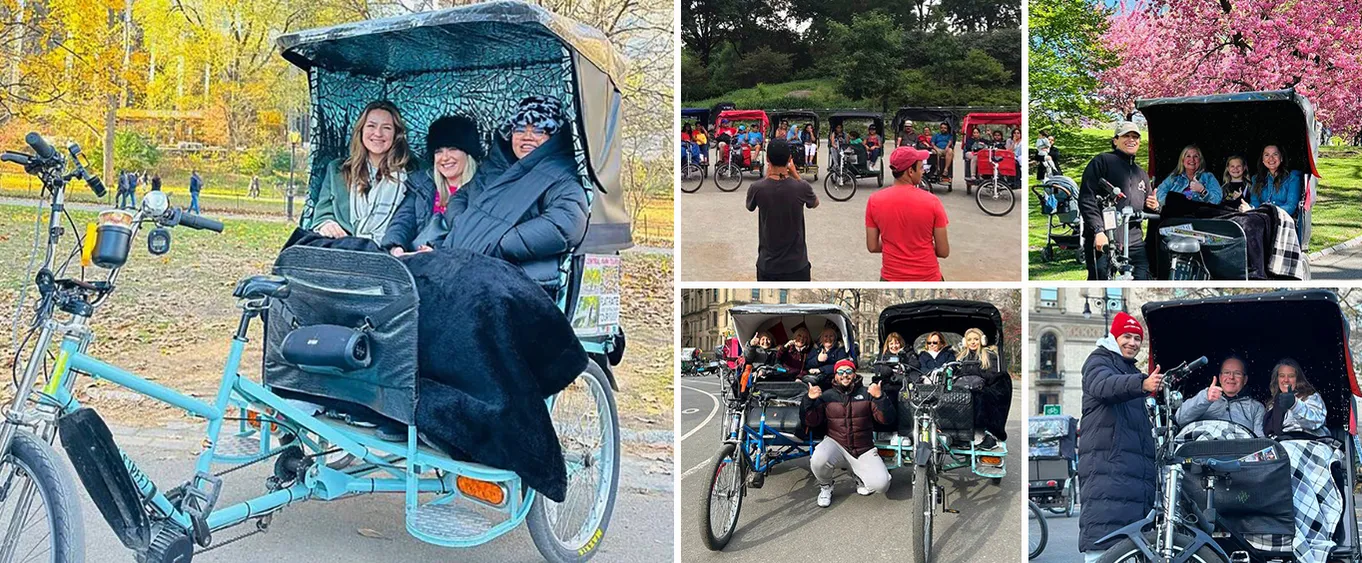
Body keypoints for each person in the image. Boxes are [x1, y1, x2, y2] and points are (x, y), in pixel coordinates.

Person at [439, 95, 587, 296]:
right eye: (519, 129)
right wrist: (463, 225)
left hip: (521, 285)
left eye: (538, 130)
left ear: (553, 137)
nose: (526, 136)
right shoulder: (494, 168)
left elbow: (565, 223)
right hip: (467, 270)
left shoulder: (561, 175)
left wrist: (500, 243)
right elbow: (461, 198)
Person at [1078, 312, 1161, 562]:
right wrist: (1142, 385)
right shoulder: (1099, 361)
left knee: (1129, 544)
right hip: (1109, 468)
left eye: (1137, 338)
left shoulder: (1128, 368)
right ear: (1114, 337)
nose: (1133, 343)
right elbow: (1104, 385)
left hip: (1129, 473)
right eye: (1127, 336)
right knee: (1104, 543)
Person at [382, 114, 483, 255]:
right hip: (413, 260)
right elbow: (403, 221)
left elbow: (478, 237)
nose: (445, 157)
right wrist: (396, 248)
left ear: (468, 153)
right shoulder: (421, 184)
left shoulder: (483, 189)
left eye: (453, 149)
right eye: (439, 151)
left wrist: (437, 252)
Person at [312, 100, 413, 241]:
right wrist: (327, 224)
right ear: (361, 131)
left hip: (393, 253)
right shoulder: (337, 170)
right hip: (345, 248)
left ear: (397, 134)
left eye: (387, 128)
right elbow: (322, 213)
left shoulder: (414, 172)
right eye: (371, 126)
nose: (378, 133)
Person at [803, 359, 894, 507]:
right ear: (835, 375)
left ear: (854, 374)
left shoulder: (867, 393)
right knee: (817, 459)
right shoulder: (827, 396)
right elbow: (811, 421)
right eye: (840, 372)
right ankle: (826, 486)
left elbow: (887, 420)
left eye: (848, 371)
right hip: (836, 444)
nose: (844, 375)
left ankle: (857, 474)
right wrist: (808, 400)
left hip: (863, 447)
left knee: (881, 485)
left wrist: (880, 398)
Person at [1077, 122, 1157, 280]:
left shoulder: (1140, 173)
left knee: (1142, 279)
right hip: (1104, 238)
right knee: (1100, 282)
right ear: (1115, 140)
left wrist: (1154, 206)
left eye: (1135, 137)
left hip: (1134, 242)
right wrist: (1098, 231)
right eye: (1126, 136)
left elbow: (1147, 206)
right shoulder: (1102, 162)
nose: (1131, 140)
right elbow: (1087, 198)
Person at [865, 146, 950, 281]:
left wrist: (895, 244)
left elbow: (872, 246)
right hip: (928, 277)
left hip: (891, 277)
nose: (923, 172)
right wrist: (918, 245)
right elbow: (943, 251)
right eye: (921, 168)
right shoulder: (932, 201)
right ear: (910, 171)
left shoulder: (874, 200)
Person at [745, 140, 818, 281]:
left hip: (768, 264)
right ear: (790, 159)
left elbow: (750, 206)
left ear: (767, 159)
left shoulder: (757, 188)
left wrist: (767, 177)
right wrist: (797, 176)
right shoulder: (801, 187)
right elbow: (815, 203)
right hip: (797, 264)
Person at [1174, 355, 1264, 436]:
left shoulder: (1256, 407)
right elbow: (1179, 419)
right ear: (1220, 378)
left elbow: (1260, 442)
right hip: (1200, 450)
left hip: (1236, 451)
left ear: (1245, 380)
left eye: (1237, 373)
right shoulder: (1205, 396)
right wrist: (1206, 399)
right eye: (1226, 372)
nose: (1231, 377)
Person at [956, 327, 1011, 453]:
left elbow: (991, 376)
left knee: (981, 396)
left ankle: (991, 435)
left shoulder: (989, 356)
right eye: (970, 339)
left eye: (976, 339)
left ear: (982, 340)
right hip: (963, 389)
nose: (973, 342)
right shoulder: (960, 358)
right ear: (965, 342)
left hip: (982, 388)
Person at [1263, 358, 1327, 439]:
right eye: (1282, 376)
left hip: (1310, 442)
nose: (1286, 380)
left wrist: (1294, 405)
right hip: (1281, 445)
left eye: (1291, 376)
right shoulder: (1272, 405)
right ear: (1277, 379)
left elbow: (1316, 422)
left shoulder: (1311, 396)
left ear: (1298, 379)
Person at [1155, 144, 1222, 207]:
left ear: (1200, 160)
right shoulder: (1174, 177)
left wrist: (1202, 191)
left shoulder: (1208, 177)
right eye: (1188, 156)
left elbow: (1217, 200)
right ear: (1183, 160)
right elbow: (1160, 191)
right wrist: (1170, 205)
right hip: (1176, 216)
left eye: (1195, 156)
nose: (1192, 159)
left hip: (1199, 217)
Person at [1248, 145, 1303, 214]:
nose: (1271, 158)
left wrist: (1269, 213)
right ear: (1262, 160)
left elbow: (1291, 206)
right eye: (1267, 155)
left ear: (1281, 158)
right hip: (1261, 219)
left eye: (1275, 154)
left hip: (1283, 220)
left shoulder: (1292, 177)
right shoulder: (1256, 179)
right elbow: (1254, 204)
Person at [873, 331, 919, 397]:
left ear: (901, 344)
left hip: (907, 385)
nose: (894, 346)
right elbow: (884, 371)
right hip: (890, 387)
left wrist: (904, 359)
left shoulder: (908, 354)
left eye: (897, 343)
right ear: (888, 345)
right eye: (891, 344)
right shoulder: (884, 356)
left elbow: (916, 365)